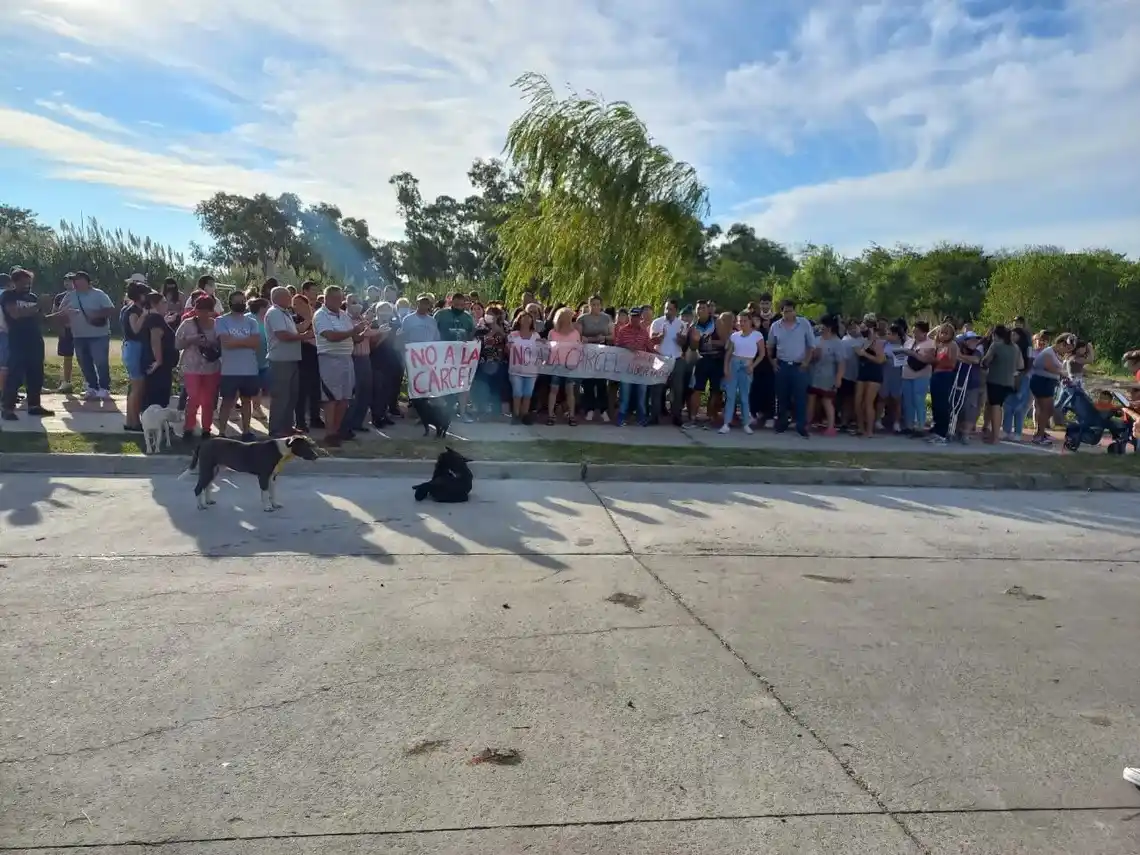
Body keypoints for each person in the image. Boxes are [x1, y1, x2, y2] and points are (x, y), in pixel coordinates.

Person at [313, 286, 367, 446]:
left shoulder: (343, 315)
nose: (339, 301)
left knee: (344, 398)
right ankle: (329, 433)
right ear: (327, 298)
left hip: (346, 358)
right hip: (330, 359)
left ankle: (336, 432)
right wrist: (353, 332)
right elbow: (330, 336)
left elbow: (354, 338)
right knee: (331, 398)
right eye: (336, 298)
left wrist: (362, 331)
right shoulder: (320, 315)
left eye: (340, 298)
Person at [0, 268, 53, 420]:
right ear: (15, 282)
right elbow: (15, 314)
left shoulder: (32, 297)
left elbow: (40, 318)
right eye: (24, 283)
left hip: (35, 339)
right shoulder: (8, 296)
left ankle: (34, 405)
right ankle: (7, 408)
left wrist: (59, 315)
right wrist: (37, 306)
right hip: (17, 340)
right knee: (15, 374)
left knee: (36, 373)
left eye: (29, 283)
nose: (27, 286)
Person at [58, 271, 116, 400]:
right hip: (78, 335)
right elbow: (60, 312)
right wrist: (65, 313)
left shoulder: (99, 294)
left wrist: (96, 314)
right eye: (74, 280)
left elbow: (111, 310)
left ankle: (104, 388)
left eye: (78, 280)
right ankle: (92, 387)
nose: (75, 282)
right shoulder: (70, 295)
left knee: (101, 362)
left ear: (87, 281)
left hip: (99, 334)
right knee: (84, 363)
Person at [215, 290, 263, 441]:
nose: (240, 304)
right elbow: (226, 343)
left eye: (242, 301)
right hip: (229, 370)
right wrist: (246, 341)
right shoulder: (221, 321)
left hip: (249, 369)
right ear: (230, 303)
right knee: (227, 401)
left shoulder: (252, 322)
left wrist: (235, 341)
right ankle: (222, 432)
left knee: (246, 400)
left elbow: (255, 343)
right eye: (237, 301)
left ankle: (246, 431)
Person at [175, 294, 223, 441]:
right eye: (199, 309)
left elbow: (222, 345)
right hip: (192, 367)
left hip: (211, 367)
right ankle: (188, 428)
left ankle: (206, 429)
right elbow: (177, 344)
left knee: (208, 400)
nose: (201, 313)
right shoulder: (187, 324)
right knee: (193, 397)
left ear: (211, 310)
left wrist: (211, 344)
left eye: (205, 310)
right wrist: (192, 340)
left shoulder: (217, 324)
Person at [767, 298, 816, 437]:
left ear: (795, 311)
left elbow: (811, 345)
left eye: (791, 311)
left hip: (799, 366)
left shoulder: (804, 324)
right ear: (781, 312)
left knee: (800, 397)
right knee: (782, 397)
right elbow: (770, 346)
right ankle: (782, 424)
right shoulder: (775, 326)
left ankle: (801, 426)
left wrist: (806, 362)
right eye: (785, 311)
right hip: (782, 365)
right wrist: (772, 362)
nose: (788, 314)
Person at [264, 285, 308, 438]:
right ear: (279, 298)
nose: (291, 298)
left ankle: (287, 427)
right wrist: (304, 336)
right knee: (281, 396)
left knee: (291, 395)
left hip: (292, 359)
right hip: (280, 361)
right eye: (288, 296)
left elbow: (293, 330)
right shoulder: (274, 312)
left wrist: (307, 325)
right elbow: (282, 335)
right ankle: (276, 429)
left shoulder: (285, 313)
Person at [720, 313, 765, 435]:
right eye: (740, 321)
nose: (742, 323)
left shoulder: (757, 335)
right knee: (730, 395)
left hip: (747, 365)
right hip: (734, 364)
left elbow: (762, 354)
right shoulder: (734, 336)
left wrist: (752, 366)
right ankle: (726, 423)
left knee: (744, 396)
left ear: (750, 321)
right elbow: (729, 353)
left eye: (745, 321)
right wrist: (726, 368)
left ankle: (746, 423)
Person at [435, 291, 477, 423]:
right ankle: (441, 413)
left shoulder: (468, 317)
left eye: (461, 305)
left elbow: (472, 334)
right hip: (444, 355)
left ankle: (462, 413)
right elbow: (434, 331)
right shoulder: (441, 315)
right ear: (451, 303)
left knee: (463, 385)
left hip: (462, 356)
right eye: (456, 304)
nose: (459, 307)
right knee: (442, 384)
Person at [1028, 333, 1074, 446]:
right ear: (1061, 344)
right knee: (1046, 409)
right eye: (1067, 348)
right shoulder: (1048, 352)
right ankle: (1038, 436)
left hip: (1048, 383)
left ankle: (1040, 432)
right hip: (1041, 382)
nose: (1067, 351)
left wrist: (1062, 376)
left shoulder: (1056, 354)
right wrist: (1063, 374)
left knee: (1048, 410)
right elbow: (1049, 367)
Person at [649, 298, 688, 426]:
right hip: (659, 358)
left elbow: (683, 343)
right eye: (666, 308)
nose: (667, 311)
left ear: (676, 310)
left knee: (677, 389)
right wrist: (659, 336)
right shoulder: (657, 322)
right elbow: (651, 340)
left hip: (676, 358)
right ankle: (654, 416)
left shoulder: (681, 324)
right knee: (656, 388)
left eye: (670, 309)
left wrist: (680, 339)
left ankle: (676, 416)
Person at [981, 325, 1023, 445]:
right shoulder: (1015, 347)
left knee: (995, 407)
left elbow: (986, 360)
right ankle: (991, 433)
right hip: (1009, 382)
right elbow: (1021, 365)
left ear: (995, 335)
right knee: (998, 406)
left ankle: (995, 438)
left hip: (995, 380)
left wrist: (985, 362)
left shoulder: (996, 345)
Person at [120, 278, 151, 432]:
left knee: (134, 387)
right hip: (134, 347)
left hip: (131, 347)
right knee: (137, 387)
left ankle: (130, 420)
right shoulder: (133, 311)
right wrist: (144, 315)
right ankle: (134, 422)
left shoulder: (127, 308)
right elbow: (135, 329)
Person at [577, 295, 614, 422]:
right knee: (588, 382)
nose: (596, 307)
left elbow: (612, 336)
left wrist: (604, 338)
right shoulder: (582, 319)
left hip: (602, 353)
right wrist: (587, 339)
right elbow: (578, 336)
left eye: (598, 304)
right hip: (587, 354)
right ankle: (589, 409)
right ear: (589, 305)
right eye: (593, 304)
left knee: (601, 383)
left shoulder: (606, 318)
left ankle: (603, 410)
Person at [614, 308, 652, 427]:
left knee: (642, 394)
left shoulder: (644, 332)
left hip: (641, 368)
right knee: (625, 395)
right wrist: (626, 347)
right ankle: (621, 417)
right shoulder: (622, 330)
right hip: (626, 368)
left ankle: (641, 417)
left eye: (637, 316)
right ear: (630, 317)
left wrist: (664, 359)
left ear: (640, 318)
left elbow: (649, 348)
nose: (635, 319)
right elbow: (616, 347)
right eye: (633, 316)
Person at [140, 291, 178, 410]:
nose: (167, 305)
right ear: (154, 304)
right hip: (159, 368)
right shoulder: (155, 318)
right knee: (157, 400)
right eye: (164, 302)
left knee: (157, 399)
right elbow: (155, 339)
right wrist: (158, 361)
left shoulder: (156, 318)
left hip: (163, 366)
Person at [808, 315, 845, 436]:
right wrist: (814, 356)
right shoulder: (817, 339)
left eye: (823, 325)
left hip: (828, 377)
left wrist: (839, 378)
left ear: (829, 327)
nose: (821, 327)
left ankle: (830, 427)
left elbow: (841, 363)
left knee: (827, 400)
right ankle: (808, 423)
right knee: (811, 399)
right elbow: (810, 357)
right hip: (814, 375)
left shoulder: (837, 343)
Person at [546, 306, 582, 425]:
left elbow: (578, 348)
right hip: (556, 365)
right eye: (566, 317)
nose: (568, 320)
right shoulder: (552, 333)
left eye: (569, 317)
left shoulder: (575, 333)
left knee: (570, 391)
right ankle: (550, 415)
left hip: (569, 366)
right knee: (553, 390)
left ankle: (572, 415)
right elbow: (548, 348)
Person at [926, 323, 960, 445]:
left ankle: (942, 433)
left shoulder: (952, 345)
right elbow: (928, 336)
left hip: (945, 375)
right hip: (936, 374)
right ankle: (936, 429)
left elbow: (952, 363)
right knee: (935, 404)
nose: (943, 335)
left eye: (946, 333)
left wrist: (936, 361)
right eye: (941, 332)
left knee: (942, 404)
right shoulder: (939, 346)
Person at [900, 321, 935, 436]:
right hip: (906, 375)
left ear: (924, 332)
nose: (915, 333)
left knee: (919, 400)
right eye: (914, 331)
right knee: (908, 401)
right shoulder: (908, 342)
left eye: (917, 331)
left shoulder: (930, 344)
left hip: (921, 375)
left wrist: (913, 354)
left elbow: (928, 360)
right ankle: (909, 426)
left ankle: (920, 426)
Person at [854, 316, 886, 437]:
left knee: (868, 402)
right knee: (858, 402)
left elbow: (880, 360)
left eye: (865, 327)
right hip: (863, 372)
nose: (862, 329)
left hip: (874, 373)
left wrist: (865, 354)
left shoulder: (877, 342)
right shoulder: (863, 341)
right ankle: (860, 428)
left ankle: (869, 430)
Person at [507, 308, 540, 424]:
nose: (526, 321)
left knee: (527, 394)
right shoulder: (513, 335)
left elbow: (540, 351)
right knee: (517, 393)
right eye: (524, 319)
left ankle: (524, 415)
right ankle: (516, 414)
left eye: (528, 319)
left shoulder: (536, 336)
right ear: (519, 320)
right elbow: (508, 351)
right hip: (516, 369)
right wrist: (508, 347)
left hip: (531, 370)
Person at [50, 273, 75, 393]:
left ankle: (89, 384)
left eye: (70, 280)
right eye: (66, 280)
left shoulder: (80, 295)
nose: (67, 283)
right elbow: (54, 313)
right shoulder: (59, 297)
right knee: (67, 356)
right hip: (66, 329)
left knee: (85, 357)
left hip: (80, 329)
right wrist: (59, 328)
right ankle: (66, 381)